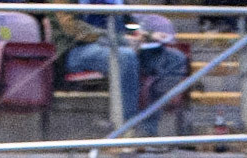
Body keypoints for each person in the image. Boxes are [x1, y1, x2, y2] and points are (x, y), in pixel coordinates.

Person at [50, 0, 190, 132]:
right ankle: (126, 129)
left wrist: (145, 35)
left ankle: (148, 128)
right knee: (126, 56)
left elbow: (128, 23)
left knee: (175, 59)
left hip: (120, 44)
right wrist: (119, 39)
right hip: (79, 49)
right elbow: (71, 28)